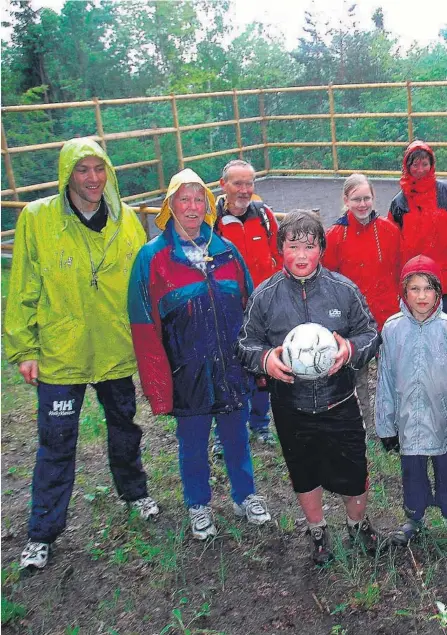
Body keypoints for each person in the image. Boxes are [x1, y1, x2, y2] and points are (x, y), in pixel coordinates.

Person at [4, 137, 159, 571]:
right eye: (81, 170)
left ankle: (135, 492)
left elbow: (143, 288)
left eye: (98, 169)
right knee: (56, 444)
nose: (92, 179)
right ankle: (42, 532)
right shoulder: (38, 219)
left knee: (125, 427)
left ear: (108, 171)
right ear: (66, 174)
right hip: (61, 352)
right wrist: (24, 347)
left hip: (113, 348)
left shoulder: (127, 220)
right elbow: (23, 287)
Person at [128, 168, 271, 541]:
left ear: (207, 206)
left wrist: (256, 363)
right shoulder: (153, 258)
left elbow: (251, 309)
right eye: (183, 199)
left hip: (231, 366)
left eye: (198, 200)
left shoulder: (226, 251)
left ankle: (245, 495)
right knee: (192, 443)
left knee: (236, 436)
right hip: (186, 371)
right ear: (170, 205)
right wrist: (158, 384)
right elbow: (144, 327)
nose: (191, 207)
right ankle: (198, 504)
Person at [237, 210, 382, 565]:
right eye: (293, 246)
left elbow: (370, 334)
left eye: (310, 246)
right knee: (303, 471)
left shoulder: (342, 290)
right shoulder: (264, 296)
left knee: (352, 469)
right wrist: (266, 359)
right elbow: (245, 344)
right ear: (280, 249)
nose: (301, 255)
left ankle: (356, 525)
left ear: (321, 249)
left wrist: (350, 349)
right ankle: (318, 531)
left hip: (339, 401)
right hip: (291, 406)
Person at [212, 159, 283, 454]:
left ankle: (260, 424)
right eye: (237, 183)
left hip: (264, 306)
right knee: (227, 369)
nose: (244, 190)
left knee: (263, 366)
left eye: (248, 183)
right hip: (225, 309)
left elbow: (279, 254)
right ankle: (223, 432)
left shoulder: (264, 216)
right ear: (223, 184)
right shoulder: (210, 221)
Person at [376, 255, 447, 545]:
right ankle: (414, 518)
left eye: (427, 288)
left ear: (438, 292)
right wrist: (386, 426)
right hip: (408, 418)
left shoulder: (445, 328)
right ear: (404, 292)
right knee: (413, 471)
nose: (421, 296)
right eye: (414, 288)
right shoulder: (393, 329)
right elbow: (386, 380)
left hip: (441, 416)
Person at [323, 173, 400, 429]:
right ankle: (365, 424)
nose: (363, 204)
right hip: (354, 322)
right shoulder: (335, 235)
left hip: (387, 315)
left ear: (374, 197)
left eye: (367, 198)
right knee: (358, 377)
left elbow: (399, 270)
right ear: (346, 200)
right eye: (356, 199)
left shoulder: (388, 231)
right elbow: (329, 279)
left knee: (390, 374)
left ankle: (391, 422)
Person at [388, 140, 447, 312]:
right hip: (415, 279)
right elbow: (392, 244)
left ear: (432, 165)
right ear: (407, 166)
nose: (420, 170)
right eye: (415, 165)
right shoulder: (399, 202)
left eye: (425, 164)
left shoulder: (444, 192)